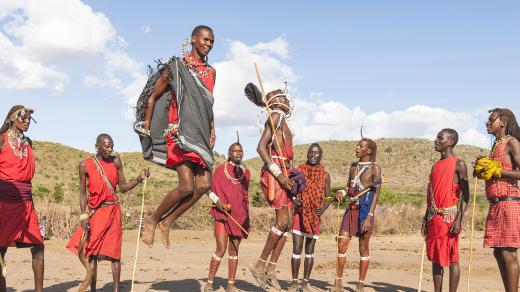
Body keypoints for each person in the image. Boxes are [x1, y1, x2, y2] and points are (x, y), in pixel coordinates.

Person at [139, 25, 217, 247]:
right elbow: (153, 96)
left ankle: (167, 222)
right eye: (205, 40)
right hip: (180, 133)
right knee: (186, 187)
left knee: (203, 185)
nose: (208, 44)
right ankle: (153, 220)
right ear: (193, 40)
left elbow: (208, 104)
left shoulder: (211, 72)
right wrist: (147, 123)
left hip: (200, 133)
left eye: (212, 41)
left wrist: (212, 129)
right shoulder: (176, 68)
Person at [66, 134, 150, 292]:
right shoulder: (85, 165)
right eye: (106, 146)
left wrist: (139, 178)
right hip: (96, 214)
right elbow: (82, 194)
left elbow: (123, 188)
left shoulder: (116, 161)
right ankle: (93, 289)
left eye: (112, 145)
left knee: (115, 254)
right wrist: (83, 215)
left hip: (113, 211)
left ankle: (116, 290)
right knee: (92, 253)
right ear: (97, 145)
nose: (110, 149)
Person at [244, 82, 297, 290]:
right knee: (282, 220)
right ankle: (260, 264)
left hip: (285, 173)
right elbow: (260, 147)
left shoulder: (282, 120)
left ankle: (271, 268)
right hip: (275, 172)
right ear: (274, 101)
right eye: (282, 96)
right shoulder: (275, 116)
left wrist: (291, 177)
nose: (286, 99)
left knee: (289, 222)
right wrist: (278, 174)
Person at [474, 108, 520, 292]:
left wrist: (497, 171)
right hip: (496, 204)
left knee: (508, 254)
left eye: (491, 119)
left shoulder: (512, 142)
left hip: (509, 202)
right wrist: (481, 170)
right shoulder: (495, 146)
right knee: (498, 252)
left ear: (503, 122)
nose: (487, 122)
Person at [0, 105, 43, 292]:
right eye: (23, 118)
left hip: (26, 203)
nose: (27, 122)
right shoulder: (1, 140)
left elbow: (28, 178)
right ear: (12, 119)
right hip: (4, 203)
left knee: (39, 248)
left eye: (28, 119)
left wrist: (32, 205)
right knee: (0, 252)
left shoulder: (29, 143)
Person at [422, 129, 469, 292]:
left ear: (450, 141)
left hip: (449, 218)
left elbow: (466, 196)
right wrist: (425, 217)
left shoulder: (459, 164)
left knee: (452, 258)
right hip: (433, 218)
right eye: (436, 137)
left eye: (440, 138)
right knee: (435, 258)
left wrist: (459, 219)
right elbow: (431, 193)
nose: (435, 140)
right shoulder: (435, 166)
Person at [333, 138, 382, 292]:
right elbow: (349, 187)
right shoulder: (353, 166)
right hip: (351, 209)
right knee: (341, 244)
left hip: (365, 212)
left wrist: (369, 216)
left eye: (361, 146)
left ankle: (360, 285)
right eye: (357, 145)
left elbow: (376, 194)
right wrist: (342, 192)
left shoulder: (375, 169)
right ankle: (338, 282)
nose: (357, 147)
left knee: (363, 248)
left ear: (368, 151)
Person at [204, 141, 250, 292]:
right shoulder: (219, 171)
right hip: (222, 215)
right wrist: (217, 201)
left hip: (239, 216)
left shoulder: (246, 173)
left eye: (240, 150)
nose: (238, 153)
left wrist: (246, 217)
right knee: (221, 249)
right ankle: (209, 283)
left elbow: (245, 197)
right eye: (234, 151)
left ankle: (230, 285)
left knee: (234, 251)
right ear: (229, 154)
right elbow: (207, 189)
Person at [288, 143, 332, 292]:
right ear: (307, 154)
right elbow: (291, 191)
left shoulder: (325, 175)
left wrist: (323, 209)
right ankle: (294, 283)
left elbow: (329, 196)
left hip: (314, 216)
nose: (313, 156)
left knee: (309, 251)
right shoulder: (299, 171)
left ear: (321, 156)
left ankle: (305, 283)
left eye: (316, 153)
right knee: (296, 249)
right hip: (299, 214)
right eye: (310, 153)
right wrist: (295, 200)